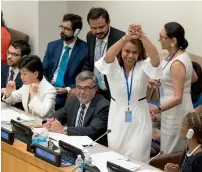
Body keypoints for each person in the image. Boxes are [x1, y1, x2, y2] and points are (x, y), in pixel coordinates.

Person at [95, 24, 162, 162]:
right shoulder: (113, 65)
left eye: (134, 52)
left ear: (139, 53)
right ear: (121, 51)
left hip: (139, 118)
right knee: (115, 157)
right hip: (117, 116)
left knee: (137, 158)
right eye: (127, 51)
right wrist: (126, 37)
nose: (130, 56)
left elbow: (155, 59)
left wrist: (142, 36)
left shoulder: (143, 65)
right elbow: (107, 57)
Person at [150, 22, 196, 154]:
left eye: (162, 37)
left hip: (176, 113)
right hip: (174, 110)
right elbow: (193, 78)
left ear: (173, 40)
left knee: (170, 153)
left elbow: (178, 98)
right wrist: (164, 83)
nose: (159, 40)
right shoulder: (181, 54)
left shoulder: (177, 62)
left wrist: (157, 109)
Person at [43, 71, 109, 146]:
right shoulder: (74, 100)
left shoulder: (103, 106)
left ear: (96, 88)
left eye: (86, 88)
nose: (82, 92)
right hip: (72, 143)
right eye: (79, 87)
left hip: (91, 146)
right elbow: (61, 113)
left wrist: (63, 129)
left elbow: (91, 131)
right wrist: (50, 122)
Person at [43, 13, 88, 110]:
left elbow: (84, 77)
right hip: (49, 89)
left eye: (67, 29)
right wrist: (47, 86)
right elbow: (44, 71)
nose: (62, 31)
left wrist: (67, 89)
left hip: (68, 93)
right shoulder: (52, 46)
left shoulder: (85, 50)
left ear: (76, 31)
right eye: (62, 27)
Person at [82, 7, 125, 100]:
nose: (97, 31)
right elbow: (90, 60)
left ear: (108, 22)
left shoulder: (120, 38)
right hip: (95, 89)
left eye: (101, 27)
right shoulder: (90, 36)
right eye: (94, 28)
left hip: (113, 90)